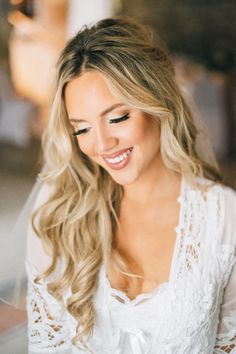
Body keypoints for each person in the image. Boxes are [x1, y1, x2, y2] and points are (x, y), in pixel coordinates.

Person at [23, 17, 236, 353]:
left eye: (117, 117)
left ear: (157, 103)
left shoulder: (225, 218)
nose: (102, 144)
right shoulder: (59, 214)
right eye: (82, 129)